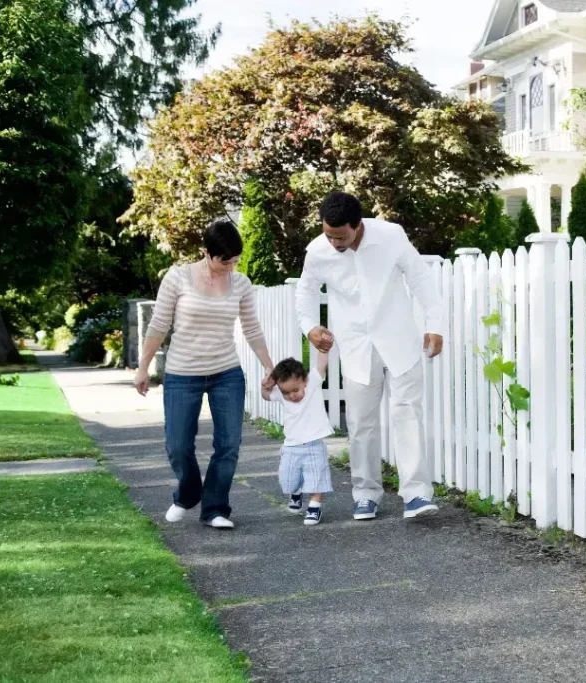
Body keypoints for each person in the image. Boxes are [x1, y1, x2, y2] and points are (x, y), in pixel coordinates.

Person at [295, 191, 444, 521]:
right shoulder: (317, 251)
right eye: (328, 235)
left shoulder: (390, 236)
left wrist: (434, 324)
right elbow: (304, 292)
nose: (334, 242)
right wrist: (310, 327)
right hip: (355, 346)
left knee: (407, 414)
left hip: (400, 340)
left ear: (357, 225)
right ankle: (365, 494)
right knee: (361, 422)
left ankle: (417, 494)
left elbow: (420, 277)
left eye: (341, 236)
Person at [134, 217, 275, 530]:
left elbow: (251, 328)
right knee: (178, 446)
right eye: (225, 261)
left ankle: (214, 508)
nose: (230, 267)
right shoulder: (178, 278)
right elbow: (158, 326)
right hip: (183, 374)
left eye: (235, 260)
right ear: (206, 253)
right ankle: (188, 493)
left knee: (229, 445)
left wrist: (268, 365)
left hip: (226, 371)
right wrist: (143, 367)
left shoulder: (240, 283)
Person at [262, 353, 334, 526]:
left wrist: (322, 346)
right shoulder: (280, 393)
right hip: (291, 446)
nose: (292, 396)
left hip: (314, 444)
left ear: (305, 381)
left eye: (295, 390)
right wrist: (266, 386)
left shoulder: (313, 384)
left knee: (317, 478)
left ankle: (314, 507)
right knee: (287, 481)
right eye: (287, 392)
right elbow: (266, 396)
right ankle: (296, 492)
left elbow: (322, 364)